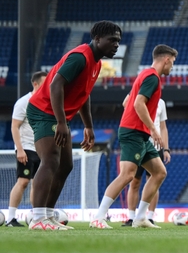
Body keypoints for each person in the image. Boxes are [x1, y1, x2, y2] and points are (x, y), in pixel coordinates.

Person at [27, 21, 121, 231]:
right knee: (51, 160)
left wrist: (88, 126)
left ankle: (48, 216)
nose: (116, 45)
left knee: (66, 165)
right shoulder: (80, 57)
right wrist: (61, 121)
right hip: (44, 111)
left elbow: (84, 95)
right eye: (112, 40)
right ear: (97, 39)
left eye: (118, 41)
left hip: (59, 116)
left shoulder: (96, 64)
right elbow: (55, 84)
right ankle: (37, 218)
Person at [91, 45, 177, 229]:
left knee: (160, 172)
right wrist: (153, 129)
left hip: (140, 134)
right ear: (167, 59)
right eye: (173, 63)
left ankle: (139, 218)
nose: (172, 67)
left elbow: (127, 101)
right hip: (134, 132)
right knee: (127, 175)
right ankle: (98, 217)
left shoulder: (145, 75)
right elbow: (138, 103)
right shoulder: (152, 78)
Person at [5, 71, 47, 227]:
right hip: (26, 148)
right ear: (35, 84)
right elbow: (14, 126)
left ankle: (37, 216)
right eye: (44, 83)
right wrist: (20, 150)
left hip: (39, 148)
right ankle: (10, 218)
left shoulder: (44, 102)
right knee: (23, 181)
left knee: (38, 183)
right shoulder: (24, 102)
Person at [122, 97, 169, 227]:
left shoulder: (161, 102)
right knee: (134, 182)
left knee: (154, 181)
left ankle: (149, 217)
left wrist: (166, 149)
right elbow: (125, 105)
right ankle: (131, 217)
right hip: (139, 143)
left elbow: (163, 127)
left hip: (156, 146)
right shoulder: (137, 98)